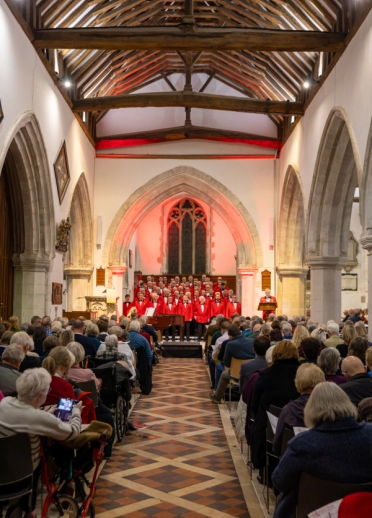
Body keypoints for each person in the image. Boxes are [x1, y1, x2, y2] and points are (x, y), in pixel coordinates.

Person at [272, 382, 372, 518]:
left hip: (306, 512)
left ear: (312, 408)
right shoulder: (369, 435)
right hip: (361, 512)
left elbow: (279, 481)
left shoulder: (303, 444)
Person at [0, 368, 82, 516]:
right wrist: (76, 411)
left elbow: (22, 419)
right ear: (40, 396)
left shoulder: (5, 403)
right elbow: (72, 432)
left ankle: (29, 508)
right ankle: (31, 509)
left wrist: (43, 415)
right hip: (22, 477)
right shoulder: (36, 417)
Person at [251, 340, 300, 473]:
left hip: (268, 428)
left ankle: (264, 469)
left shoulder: (265, 374)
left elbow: (254, 403)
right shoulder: (303, 372)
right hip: (298, 425)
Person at [272, 364, 325, 455]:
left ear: (298, 386)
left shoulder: (288, 410)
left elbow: (277, 446)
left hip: (294, 463)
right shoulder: (331, 408)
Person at [209, 326, 255, 404]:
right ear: (240, 333)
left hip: (235, 374)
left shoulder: (230, 344)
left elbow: (226, 362)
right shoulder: (252, 341)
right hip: (252, 372)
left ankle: (217, 397)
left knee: (223, 373)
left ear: (230, 336)